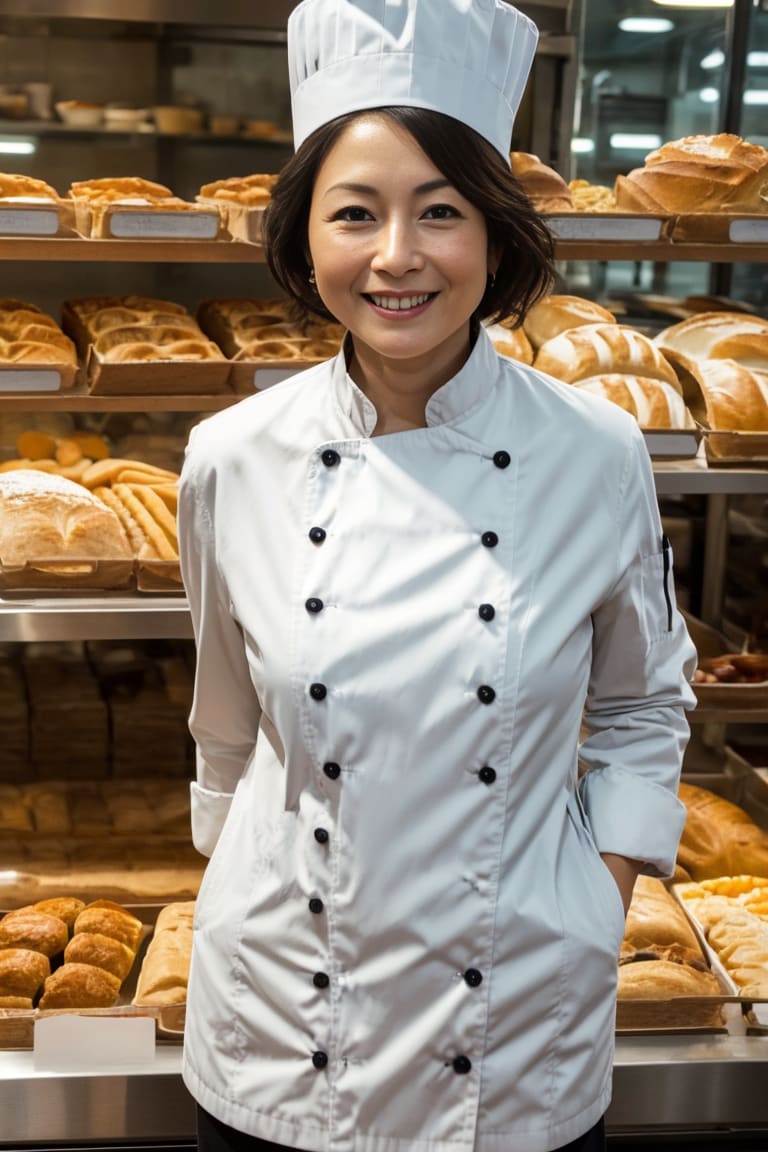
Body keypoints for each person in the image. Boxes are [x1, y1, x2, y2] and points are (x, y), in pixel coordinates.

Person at [177, 3, 697, 1151]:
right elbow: (224, 723)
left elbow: (644, 703)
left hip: (512, 1032)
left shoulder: (596, 451)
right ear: (305, 238)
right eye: (355, 212)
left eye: (442, 211)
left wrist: (596, 898)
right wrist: (239, 890)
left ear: (496, 236)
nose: (397, 255)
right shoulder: (232, 456)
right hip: (281, 1029)